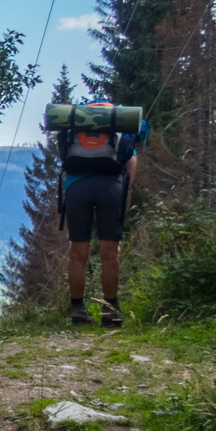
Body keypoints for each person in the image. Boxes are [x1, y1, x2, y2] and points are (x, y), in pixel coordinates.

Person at [57, 102, 141, 328]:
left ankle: (78, 310)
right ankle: (110, 310)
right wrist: (126, 192)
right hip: (110, 188)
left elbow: (64, 155)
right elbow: (130, 161)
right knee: (110, 252)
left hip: (76, 187)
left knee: (78, 252)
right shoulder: (116, 123)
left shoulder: (75, 125)